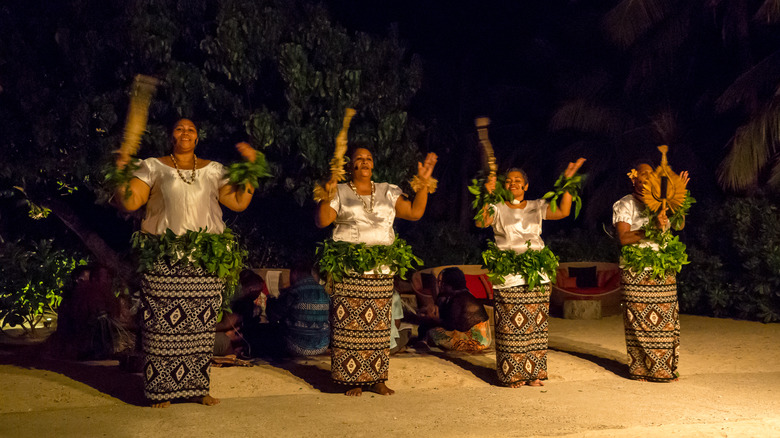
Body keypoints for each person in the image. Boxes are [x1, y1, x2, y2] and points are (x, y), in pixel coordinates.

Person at [114, 118, 260, 407]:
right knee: (162, 329)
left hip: (204, 263)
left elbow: (239, 203)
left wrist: (253, 169)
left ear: (197, 138)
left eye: (191, 129)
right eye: (179, 128)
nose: (185, 132)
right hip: (164, 260)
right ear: (171, 134)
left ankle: (196, 388)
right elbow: (130, 202)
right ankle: (160, 391)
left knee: (200, 329)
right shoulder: (153, 166)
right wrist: (121, 170)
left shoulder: (214, 170)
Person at [316, 145, 438, 396]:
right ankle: (353, 380)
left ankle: (378, 378)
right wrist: (328, 190)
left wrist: (424, 184)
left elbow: (415, 212)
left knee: (379, 328)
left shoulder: (387, 191)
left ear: (373, 164)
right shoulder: (338, 190)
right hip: (349, 270)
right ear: (350, 166)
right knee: (350, 326)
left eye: (369, 158)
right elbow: (323, 221)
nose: (364, 162)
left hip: (381, 270)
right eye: (359, 159)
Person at [477, 158, 585, 387]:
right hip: (508, 274)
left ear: (526, 186)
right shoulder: (497, 207)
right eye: (508, 181)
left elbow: (564, 210)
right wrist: (487, 196)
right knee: (510, 326)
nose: (513, 183)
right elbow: (480, 222)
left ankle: (533, 373)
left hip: (537, 272)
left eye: (518, 181)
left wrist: (568, 180)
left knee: (536, 326)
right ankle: (512, 374)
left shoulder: (537, 206)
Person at [613, 163, 690, 382]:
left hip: (663, 268)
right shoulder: (625, 204)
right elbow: (624, 238)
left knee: (666, 321)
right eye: (643, 174)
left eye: (652, 174)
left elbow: (680, 225)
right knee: (638, 322)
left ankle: (664, 369)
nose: (648, 177)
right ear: (634, 179)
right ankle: (640, 369)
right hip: (636, 269)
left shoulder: (663, 202)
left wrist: (678, 199)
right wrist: (651, 229)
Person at [420, 267, 491, 352]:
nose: (440, 285)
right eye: (439, 282)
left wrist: (432, 318)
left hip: (475, 342)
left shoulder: (458, 299)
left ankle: (423, 343)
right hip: (484, 340)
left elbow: (450, 325)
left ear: (451, 283)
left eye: (442, 282)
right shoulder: (464, 294)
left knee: (430, 331)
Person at [266, 263, 330, 356]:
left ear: (295, 274)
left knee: (266, 331)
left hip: (297, 346)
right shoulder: (324, 291)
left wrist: (271, 300)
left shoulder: (294, 291)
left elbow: (274, 316)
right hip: (322, 346)